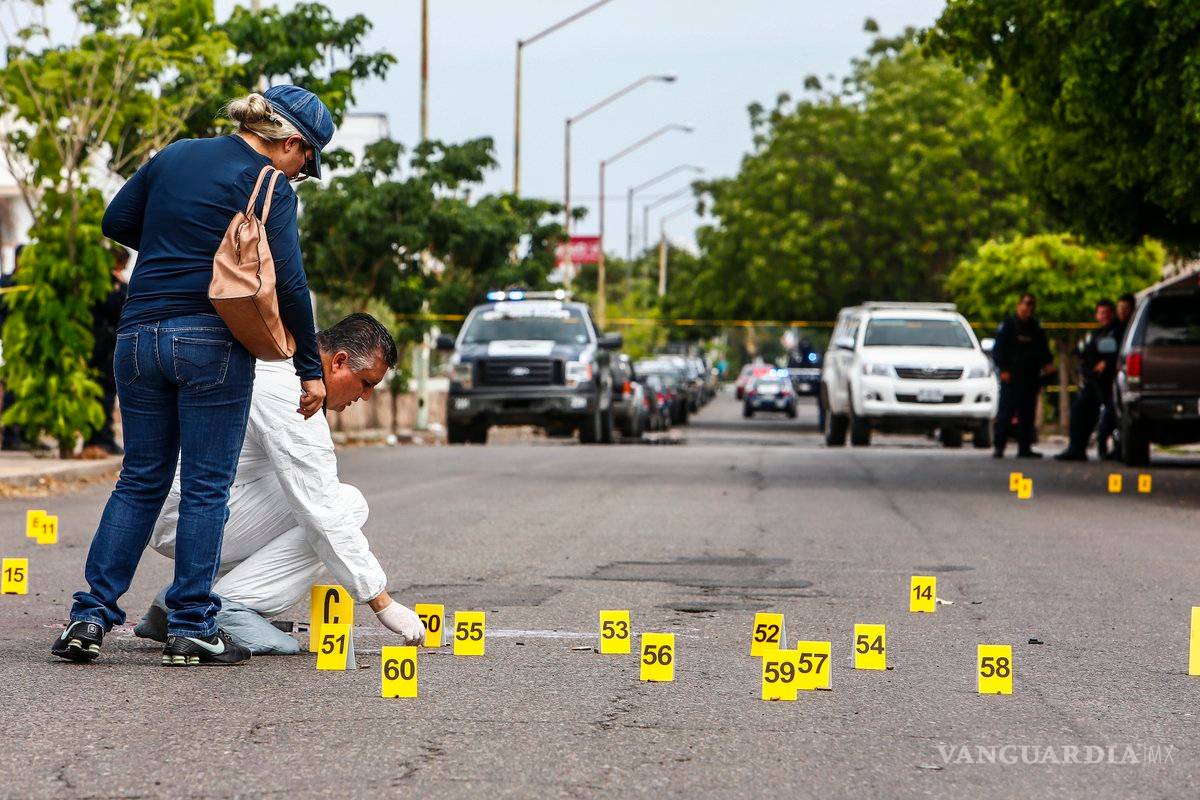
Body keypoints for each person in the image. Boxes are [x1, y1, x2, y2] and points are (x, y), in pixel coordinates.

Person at [53, 86, 334, 667]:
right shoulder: (270, 185)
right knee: (207, 486)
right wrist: (310, 369)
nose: (300, 174)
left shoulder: (176, 154)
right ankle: (190, 627)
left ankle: (89, 617)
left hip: (136, 336)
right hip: (210, 340)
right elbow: (292, 285)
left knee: (139, 480)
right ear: (290, 143)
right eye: (306, 163)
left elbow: (117, 220)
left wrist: (174, 244)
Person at [134, 314, 425, 655]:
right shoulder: (294, 395)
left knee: (310, 493)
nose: (364, 397)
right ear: (340, 362)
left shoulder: (277, 363)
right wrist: (382, 603)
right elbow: (323, 509)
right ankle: (220, 609)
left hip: (183, 505)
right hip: (188, 515)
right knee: (342, 506)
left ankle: (182, 598)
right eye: (366, 383)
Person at [991, 293, 1055, 459]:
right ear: (1019, 305)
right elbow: (998, 350)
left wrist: (1048, 366)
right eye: (1026, 303)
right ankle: (999, 446)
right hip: (1011, 377)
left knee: (1027, 414)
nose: (1029, 307)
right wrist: (1003, 369)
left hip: (1030, 377)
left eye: (1032, 304)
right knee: (1006, 413)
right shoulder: (1008, 326)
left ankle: (1024, 447)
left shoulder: (1035, 328)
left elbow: (1043, 351)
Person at [1056, 299, 1121, 461]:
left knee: (1110, 416)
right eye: (1101, 313)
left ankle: (1114, 447)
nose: (1104, 316)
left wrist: (1107, 362)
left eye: (1107, 313)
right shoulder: (1097, 333)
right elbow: (1082, 351)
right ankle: (1077, 447)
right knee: (1080, 410)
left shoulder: (1118, 331)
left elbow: (1120, 353)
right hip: (1095, 382)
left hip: (1112, 383)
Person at [84, 247, 130, 456]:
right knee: (102, 394)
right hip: (102, 346)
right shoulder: (106, 284)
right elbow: (117, 309)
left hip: (105, 345)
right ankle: (99, 438)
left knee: (107, 394)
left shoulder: (109, 282)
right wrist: (119, 285)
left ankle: (104, 437)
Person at [1095, 293, 1136, 459]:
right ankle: (1106, 445)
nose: (1122, 312)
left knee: (1115, 415)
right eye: (1120, 308)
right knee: (1112, 415)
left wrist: (1110, 362)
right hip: (1113, 380)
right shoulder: (1114, 329)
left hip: (1128, 380)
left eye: (1126, 309)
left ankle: (1112, 446)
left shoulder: (1132, 329)